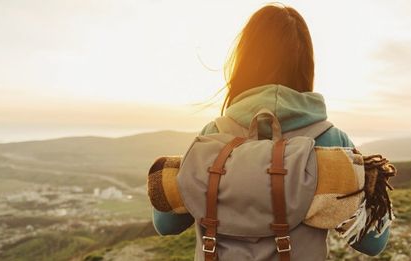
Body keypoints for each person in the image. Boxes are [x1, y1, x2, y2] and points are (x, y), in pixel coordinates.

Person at [152, 3, 390, 259]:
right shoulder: (331, 141)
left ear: (244, 62)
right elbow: (373, 242)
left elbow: (166, 225)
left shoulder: (212, 136)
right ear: (306, 66)